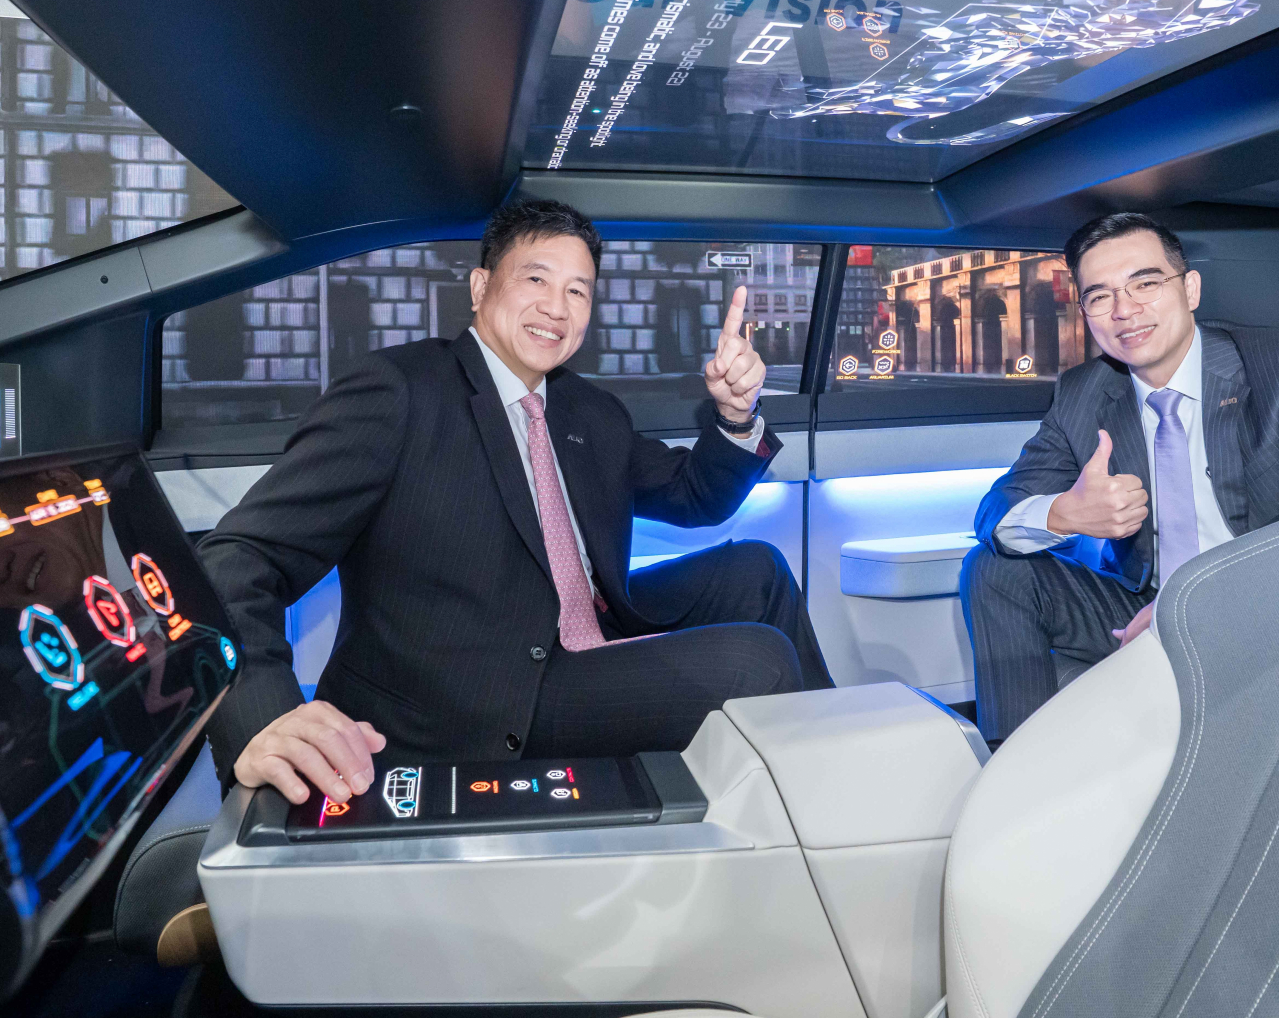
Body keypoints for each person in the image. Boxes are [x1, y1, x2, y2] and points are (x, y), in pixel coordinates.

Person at [200, 199, 833, 808]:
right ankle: (826, 806)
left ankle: (845, 758)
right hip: (474, 695)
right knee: (757, 664)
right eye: (536, 279)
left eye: (578, 291)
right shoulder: (400, 391)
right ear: (480, 287)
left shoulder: (590, 412)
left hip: (585, 637)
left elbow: (694, 496)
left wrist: (735, 414)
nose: (556, 307)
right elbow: (239, 556)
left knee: (757, 570)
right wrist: (263, 715)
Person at [963, 212, 1279, 741]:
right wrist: (1065, 513)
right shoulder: (1083, 393)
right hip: (1142, 607)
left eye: (1146, 284)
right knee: (991, 567)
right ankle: (1015, 766)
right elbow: (993, 512)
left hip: (1265, 601)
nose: (1124, 310)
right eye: (1100, 296)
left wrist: (1196, 603)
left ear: (1190, 288)